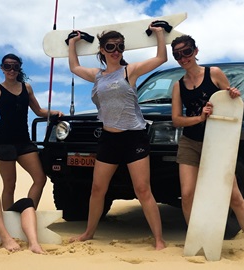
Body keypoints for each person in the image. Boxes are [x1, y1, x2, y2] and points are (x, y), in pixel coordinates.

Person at [67, 23, 168, 250]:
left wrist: (160, 34)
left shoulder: (129, 71)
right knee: (97, 189)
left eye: (120, 47)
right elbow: (74, 67)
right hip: (108, 139)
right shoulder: (97, 76)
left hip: (134, 137)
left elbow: (161, 58)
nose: (116, 51)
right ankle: (88, 233)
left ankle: (159, 240)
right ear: (102, 50)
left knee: (143, 190)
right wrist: (72, 43)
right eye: (110, 46)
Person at [170, 35, 244, 257]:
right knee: (187, 195)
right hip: (189, 142)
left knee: (234, 196)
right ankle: (196, 243)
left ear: (196, 51)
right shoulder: (178, 86)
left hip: (217, 142)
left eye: (186, 52)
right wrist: (199, 118)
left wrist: (234, 94)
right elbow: (177, 119)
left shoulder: (213, 73)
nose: (182, 58)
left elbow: (232, 103)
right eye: (177, 54)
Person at [0, 53, 63, 210]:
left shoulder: (26, 88)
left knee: (40, 178)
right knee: (9, 186)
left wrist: (55, 112)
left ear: (19, 68)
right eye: (8, 66)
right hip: (3, 142)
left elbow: (39, 111)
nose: (11, 70)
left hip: (24, 142)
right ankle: (10, 222)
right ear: (2, 68)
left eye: (15, 66)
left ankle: (28, 214)